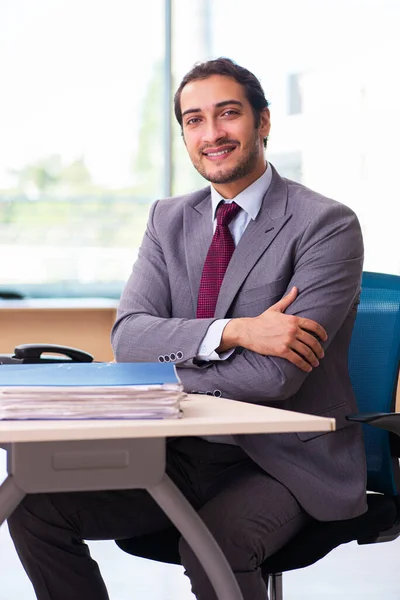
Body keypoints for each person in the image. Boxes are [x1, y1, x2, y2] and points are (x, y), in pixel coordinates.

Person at [8, 58, 367, 600]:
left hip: (280, 460)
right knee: (36, 508)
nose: (212, 133)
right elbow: (129, 338)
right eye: (195, 120)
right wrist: (235, 332)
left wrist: (158, 375)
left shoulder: (325, 224)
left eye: (228, 114)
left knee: (215, 543)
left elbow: (275, 380)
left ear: (263, 122)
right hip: (176, 453)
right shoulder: (168, 219)